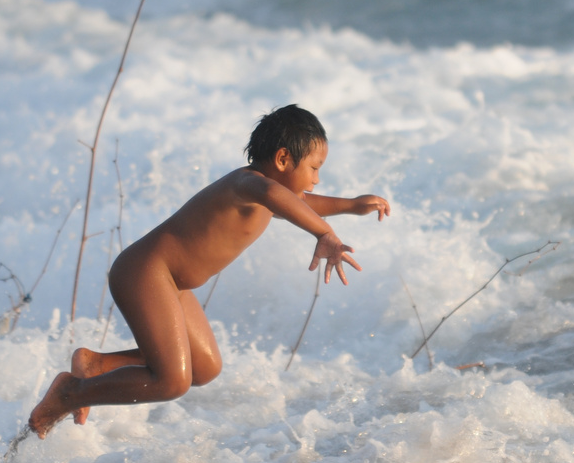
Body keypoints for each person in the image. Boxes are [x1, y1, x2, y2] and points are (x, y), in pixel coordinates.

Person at [28, 105, 389, 436]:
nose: (316, 179)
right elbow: (282, 198)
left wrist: (351, 206)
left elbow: (299, 202)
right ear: (282, 159)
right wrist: (324, 233)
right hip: (146, 273)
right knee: (171, 381)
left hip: (173, 284)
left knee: (205, 368)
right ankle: (70, 393)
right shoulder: (247, 184)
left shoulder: (267, 193)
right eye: (314, 168)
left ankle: (96, 364)